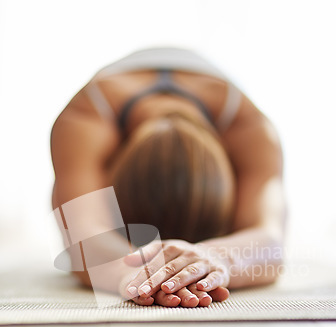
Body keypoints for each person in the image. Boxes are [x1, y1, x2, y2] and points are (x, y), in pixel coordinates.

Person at [50, 46, 286, 308]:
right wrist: (137, 273)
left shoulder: (247, 125)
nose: (174, 254)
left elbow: (271, 242)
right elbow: (83, 236)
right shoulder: (87, 114)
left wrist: (216, 257)